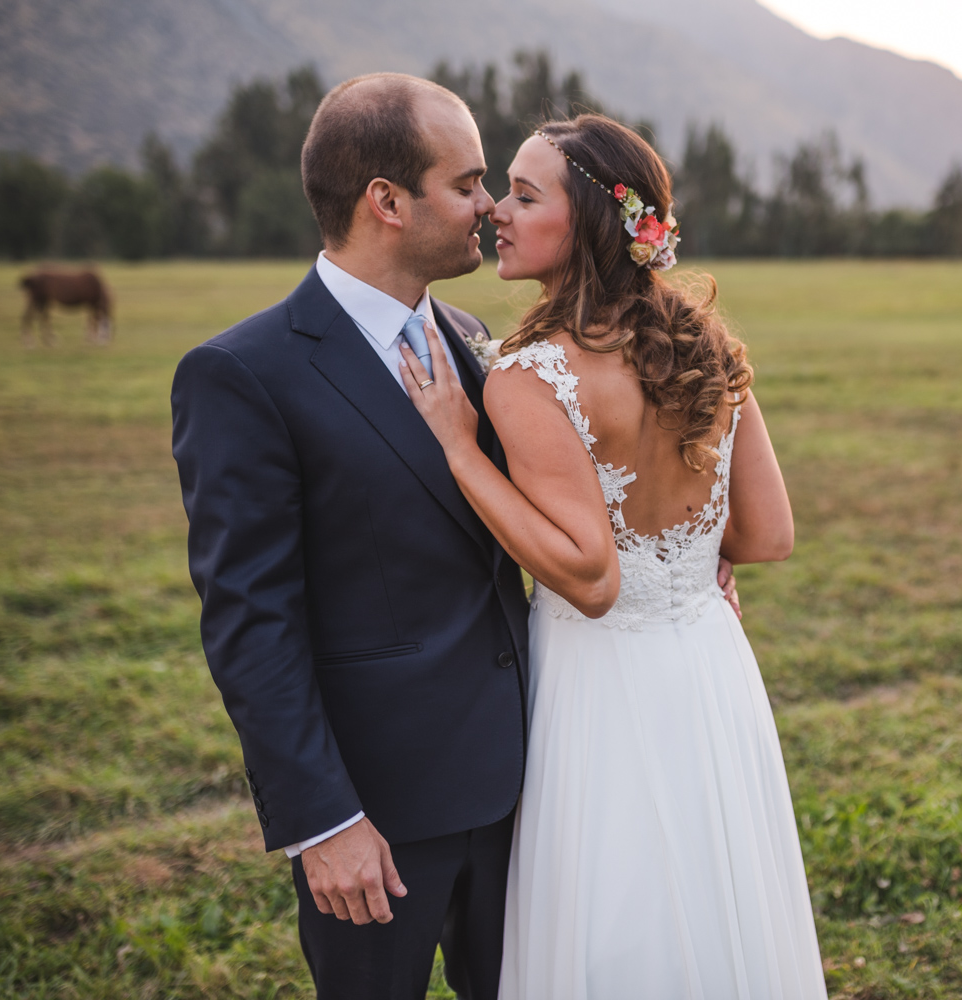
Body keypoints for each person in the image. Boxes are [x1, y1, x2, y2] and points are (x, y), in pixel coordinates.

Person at [171, 75, 739, 999]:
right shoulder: (244, 374)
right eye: (469, 182)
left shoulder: (478, 339)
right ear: (386, 203)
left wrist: (683, 556)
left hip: (536, 785)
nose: (487, 205)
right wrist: (326, 823)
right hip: (381, 816)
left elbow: (568, 509)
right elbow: (250, 625)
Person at [399, 114, 827, 998]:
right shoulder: (707, 346)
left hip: (599, 684)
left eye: (523, 195)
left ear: (590, 221)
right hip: (709, 667)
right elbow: (767, 534)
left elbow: (591, 578)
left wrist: (459, 450)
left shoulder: (530, 376)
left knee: (611, 920)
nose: (496, 214)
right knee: (716, 906)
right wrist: (688, 555)